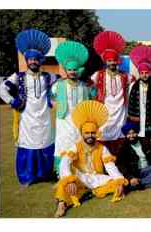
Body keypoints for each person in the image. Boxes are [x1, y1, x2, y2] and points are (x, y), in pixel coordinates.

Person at [0, 29, 58, 187]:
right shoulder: (19, 76)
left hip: (44, 117)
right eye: (30, 59)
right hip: (27, 117)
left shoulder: (48, 76)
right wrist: (12, 101)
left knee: (45, 144)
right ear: (26, 60)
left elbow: (62, 80)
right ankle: (27, 176)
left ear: (40, 61)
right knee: (28, 146)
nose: (33, 62)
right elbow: (1, 88)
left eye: (36, 59)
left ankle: (45, 174)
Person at [53, 100, 128, 218]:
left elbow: (110, 167)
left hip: (96, 179)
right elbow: (64, 162)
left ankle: (91, 192)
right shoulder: (76, 146)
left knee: (117, 184)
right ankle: (62, 204)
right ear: (82, 134)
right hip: (81, 177)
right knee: (65, 183)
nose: (90, 135)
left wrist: (118, 180)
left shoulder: (102, 148)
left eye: (93, 132)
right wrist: (69, 179)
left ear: (96, 133)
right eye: (87, 133)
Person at [51, 40, 95, 172]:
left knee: (79, 143)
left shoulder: (84, 86)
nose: (72, 72)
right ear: (66, 70)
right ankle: (62, 171)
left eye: (75, 69)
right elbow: (51, 97)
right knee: (63, 144)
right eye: (69, 69)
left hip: (80, 121)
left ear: (79, 70)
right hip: (64, 120)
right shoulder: (58, 85)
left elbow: (92, 97)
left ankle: (80, 169)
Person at [91, 30, 131, 156]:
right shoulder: (98, 75)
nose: (112, 63)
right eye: (109, 61)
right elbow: (88, 85)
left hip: (120, 112)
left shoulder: (125, 76)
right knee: (103, 135)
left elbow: (139, 81)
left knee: (120, 137)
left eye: (114, 60)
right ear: (105, 61)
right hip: (104, 112)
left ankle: (119, 163)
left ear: (117, 61)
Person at [117, 123, 151, 192]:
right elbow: (120, 164)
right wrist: (130, 178)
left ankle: (138, 185)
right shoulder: (123, 147)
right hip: (135, 172)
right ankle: (150, 184)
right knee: (130, 180)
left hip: (149, 168)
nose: (131, 136)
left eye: (133, 133)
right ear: (125, 135)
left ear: (137, 132)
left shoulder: (145, 141)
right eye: (128, 134)